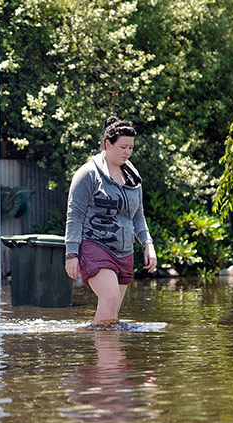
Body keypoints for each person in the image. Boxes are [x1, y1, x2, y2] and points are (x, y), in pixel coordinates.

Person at [64, 116, 157, 329]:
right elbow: (74, 215)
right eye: (123, 146)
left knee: (113, 311)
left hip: (124, 251)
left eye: (131, 148)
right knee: (110, 297)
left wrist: (148, 244)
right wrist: (71, 254)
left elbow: (138, 215)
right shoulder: (88, 174)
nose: (128, 152)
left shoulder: (133, 177)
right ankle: (106, 359)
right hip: (95, 245)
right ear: (108, 144)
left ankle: (107, 360)